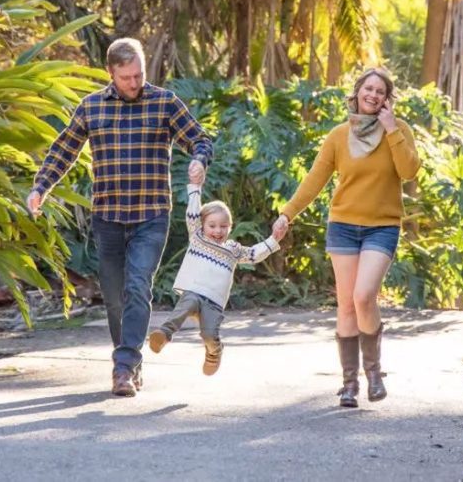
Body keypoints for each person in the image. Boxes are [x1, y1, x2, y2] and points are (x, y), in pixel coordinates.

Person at [27, 38, 213, 397]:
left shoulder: (164, 102)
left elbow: (199, 138)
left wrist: (198, 159)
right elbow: (64, 149)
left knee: (137, 286)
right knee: (113, 298)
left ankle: (124, 366)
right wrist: (41, 187)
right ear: (110, 73)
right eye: (126, 77)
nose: (134, 83)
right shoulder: (92, 107)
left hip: (151, 215)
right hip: (108, 216)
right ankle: (130, 359)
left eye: (139, 74)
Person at [272, 67, 420, 407]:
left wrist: (391, 129)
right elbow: (315, 179)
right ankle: (350, 384)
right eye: (368, 88)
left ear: (387, 99)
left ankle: (374, 373)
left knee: (364, 295)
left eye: (380, 91)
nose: (373, 94)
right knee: (346, 303)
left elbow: (409, 171)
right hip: (343, 226)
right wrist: (287, 214)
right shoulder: (339, 136)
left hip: (382, 226)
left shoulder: (399, 131)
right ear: (357, 92)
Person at [148, 181, 282, 375]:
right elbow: (192, 214)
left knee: (209, 334)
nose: (218, 231)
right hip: (194, 292)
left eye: (223, 226)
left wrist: (274, 239)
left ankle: (214, 352)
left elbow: (253, 254)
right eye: (212, 226)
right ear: (202, 225)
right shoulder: (197, 238)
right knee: (187, 302)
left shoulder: (233, 250)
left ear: (230, 227)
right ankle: (164, 334)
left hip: (214, 303)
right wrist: (194, 187)